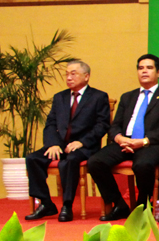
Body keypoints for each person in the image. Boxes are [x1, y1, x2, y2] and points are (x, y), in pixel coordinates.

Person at [87, 54, 159, 221]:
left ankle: (142, 205)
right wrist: (119, 138)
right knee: (95, 162)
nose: (144, 71)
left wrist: (143, 141)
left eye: (149, 68)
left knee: (143, 164)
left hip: (153, 144)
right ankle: (119, 204)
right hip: (126, 142)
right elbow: (115, 125)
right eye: (140, 68)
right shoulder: (127, 97)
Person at [24, 61, 110, 222]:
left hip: (85, 147)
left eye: (73, 74)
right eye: (67, 74)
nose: (69, 77)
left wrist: (82, 142)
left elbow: (102, 125)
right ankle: (46, 203)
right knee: (33, 158)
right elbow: (50, 123)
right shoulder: (60, 97)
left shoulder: (98, 97)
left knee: (69, 161)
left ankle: (67, 205)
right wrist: (53, 143)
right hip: (60, 144)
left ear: (86, 76)